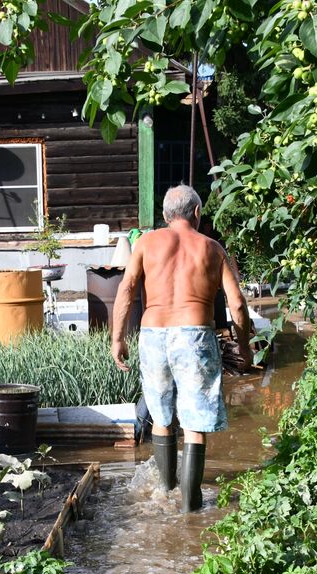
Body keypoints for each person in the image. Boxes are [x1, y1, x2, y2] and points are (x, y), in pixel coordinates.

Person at [110, 185, 252, 512]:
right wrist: (243, 348)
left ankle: (165, 491)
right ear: (197, 213)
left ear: (165, 215)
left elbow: (126, 290)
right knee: (194, 422)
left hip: (153, 333)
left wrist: (117, 338)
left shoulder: (145, 243)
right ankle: (191, 506)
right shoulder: (212, 248)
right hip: (195, 335)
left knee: (161, 417)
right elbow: (238, 305)